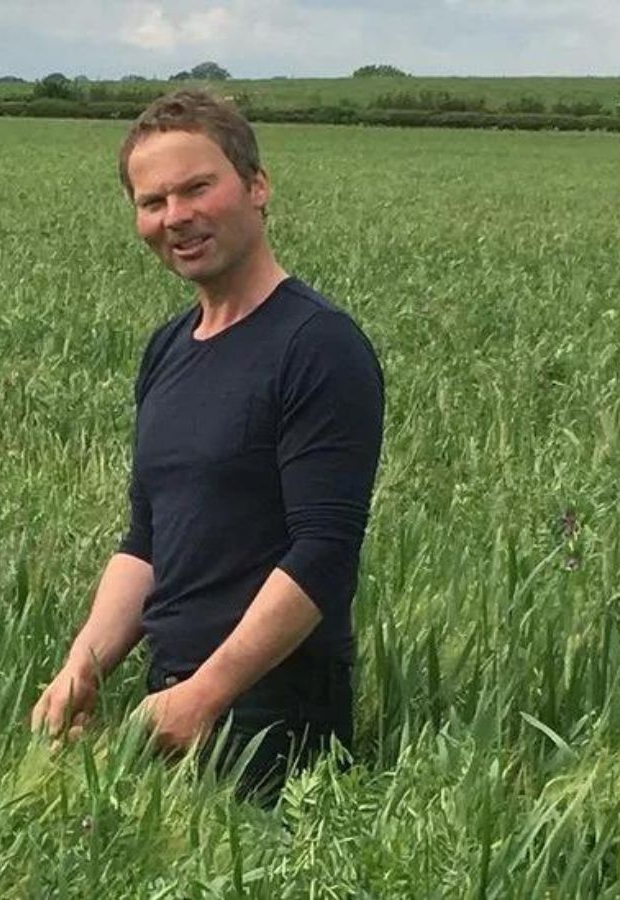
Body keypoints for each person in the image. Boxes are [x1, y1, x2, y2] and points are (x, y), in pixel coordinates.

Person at [29, 89, 385, 803]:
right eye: (152, 201)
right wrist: (83, 669)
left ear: (256, 186)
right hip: (169, 706)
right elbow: (146, 539)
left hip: (276, 720)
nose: (176, 217)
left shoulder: (317, 346)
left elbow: (324, 550)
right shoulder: (168, 348)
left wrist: (208, 694)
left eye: (198, 187)